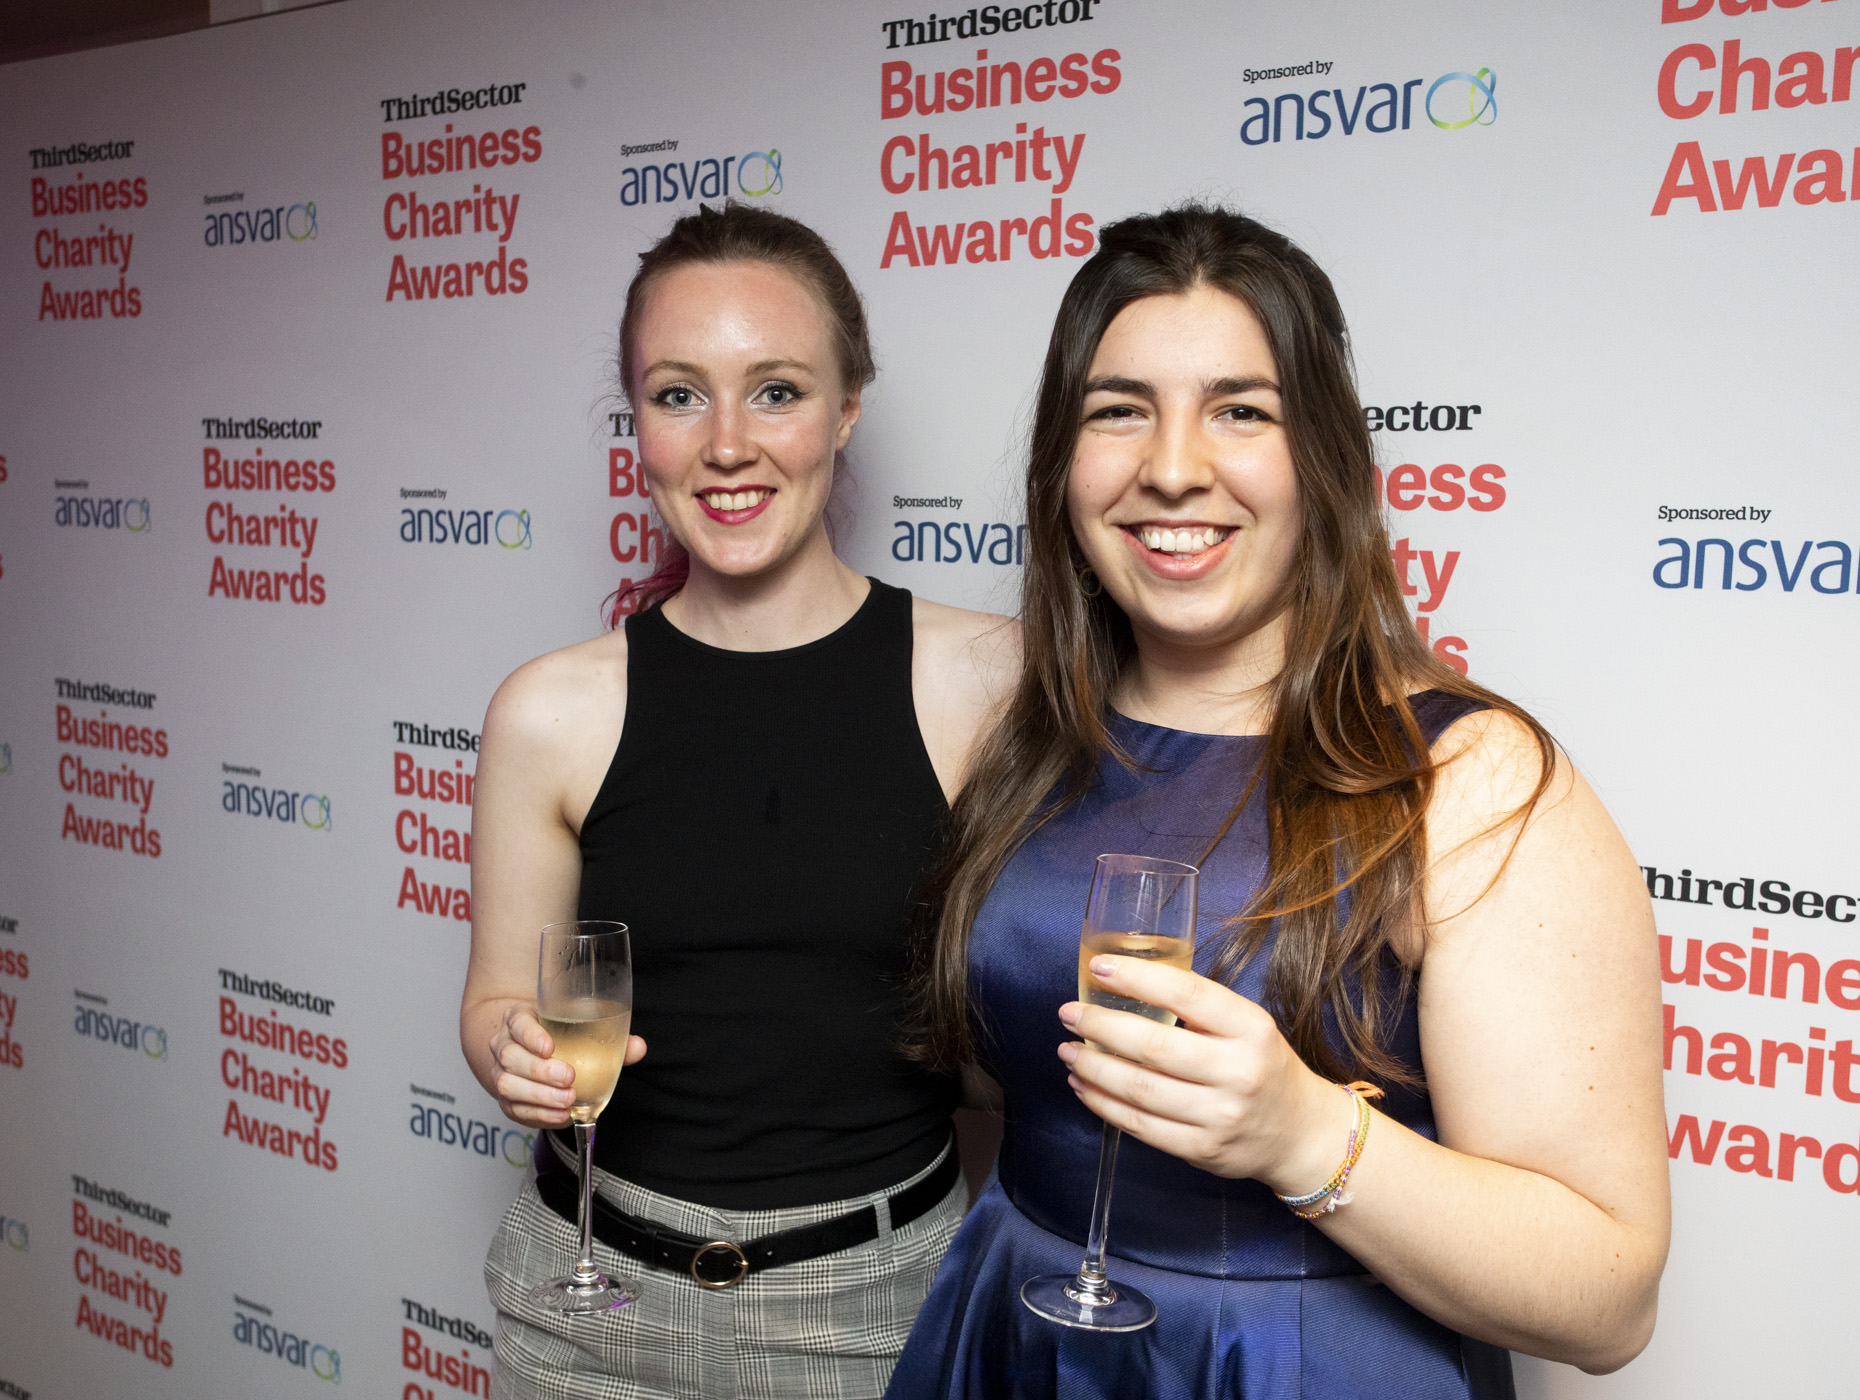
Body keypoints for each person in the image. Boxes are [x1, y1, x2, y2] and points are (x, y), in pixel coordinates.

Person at [887, 205, 1669, 1399]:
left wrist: (1306, 1134)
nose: (1172, 466)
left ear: (1324, 458)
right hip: (1015, 1335)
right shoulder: (1028, 743)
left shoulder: (1467, 775)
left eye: (1241, 410)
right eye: (1119, 409)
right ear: (1061, 462)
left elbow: (1608, 1302)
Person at [461, 202, 1016, 1400]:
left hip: (877, 1310)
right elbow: (501, 998)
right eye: (678, 394)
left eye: (776, 391)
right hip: (585, 1306)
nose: (727, 444)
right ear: (637, 424)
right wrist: (515, 1050)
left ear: (847, 407)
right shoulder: (548, 709)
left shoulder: (988, 679)